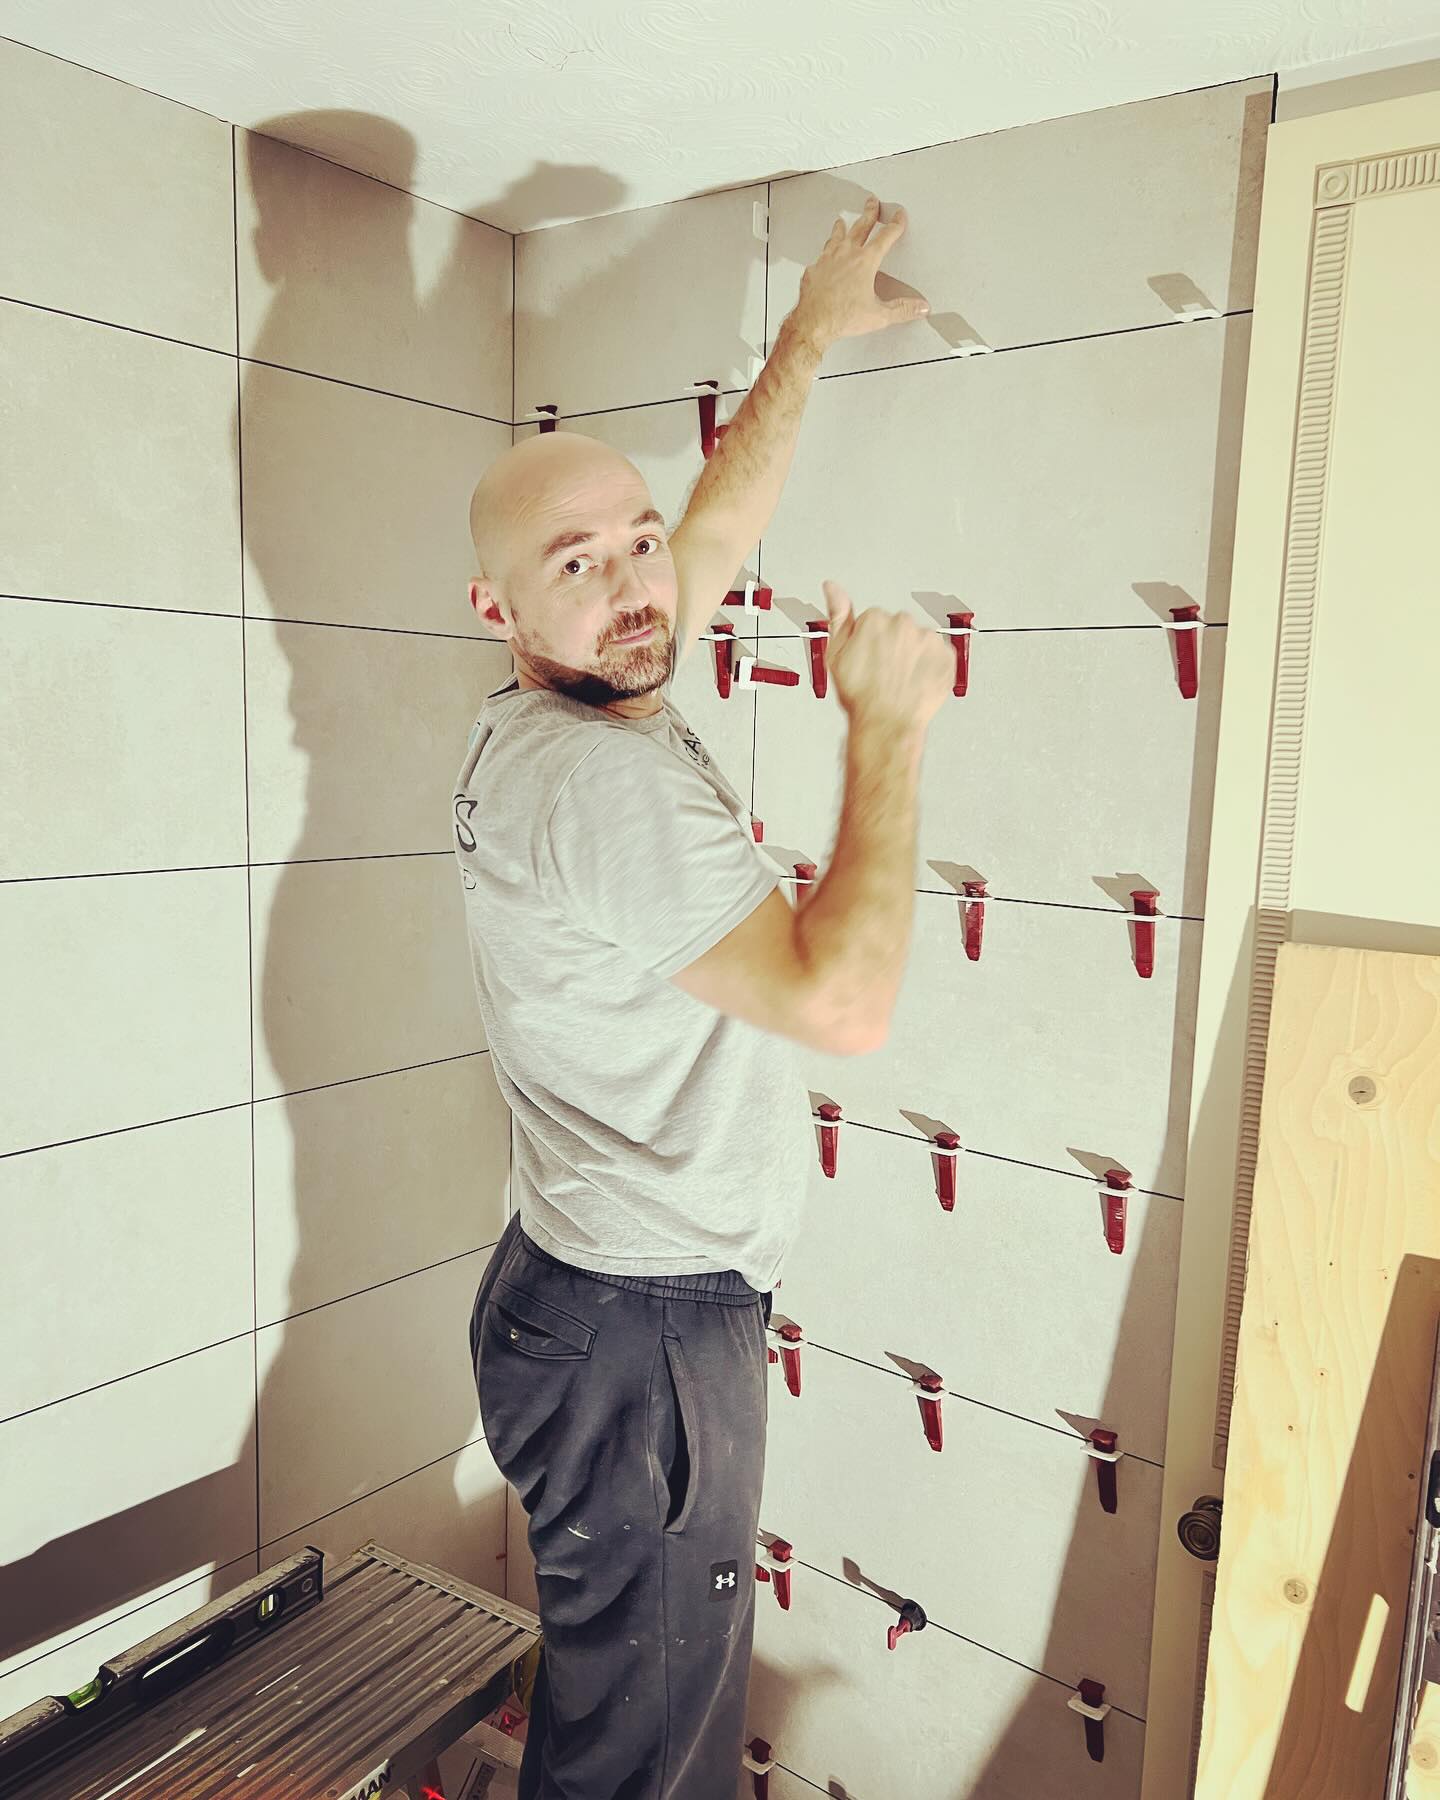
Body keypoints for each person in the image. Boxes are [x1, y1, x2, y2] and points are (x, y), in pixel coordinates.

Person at [451, 196, 953, 1798]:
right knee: (645, 1764)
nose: (635, 585)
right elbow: (846, 1005)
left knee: (617, 1711)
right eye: (575, 563)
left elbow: (714, 531)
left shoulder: (575, 697)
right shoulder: (597, 787)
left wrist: (808, 331)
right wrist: (887, 726)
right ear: (501, 613)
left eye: (634, 540)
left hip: (588, 1299)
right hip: (640, 1336)